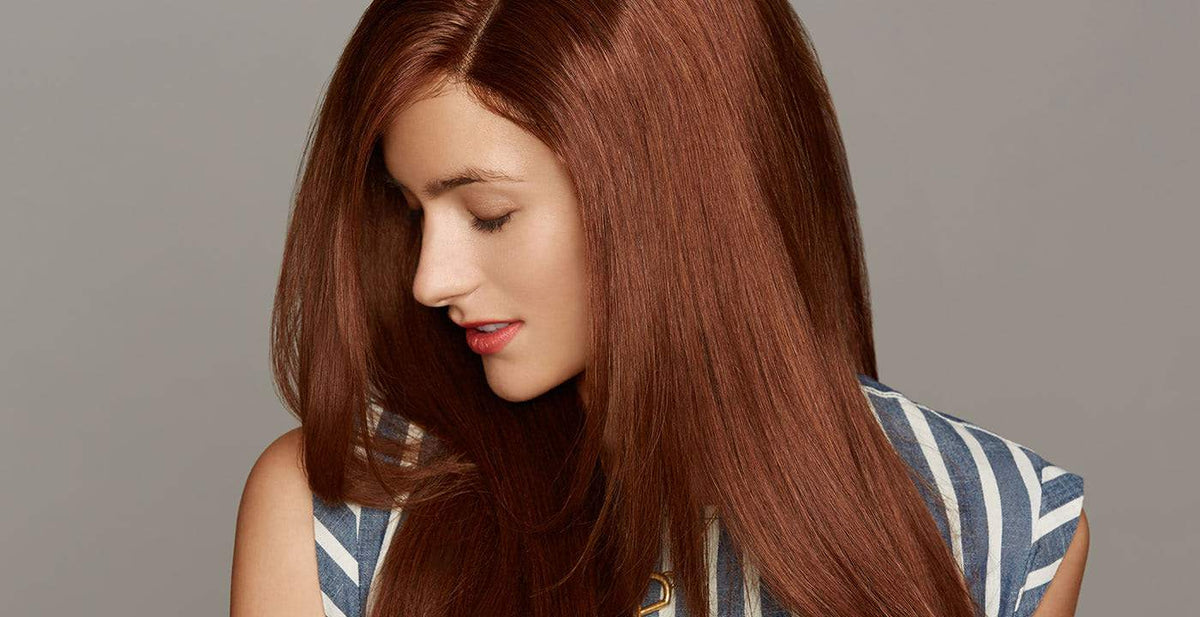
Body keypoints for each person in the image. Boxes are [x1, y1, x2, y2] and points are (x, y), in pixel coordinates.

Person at [230, 1, 1089, 616]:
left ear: (671, 196)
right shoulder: (340, 510)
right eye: (414, 213)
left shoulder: (996, 526)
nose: (429, 280)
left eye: (488, 214)